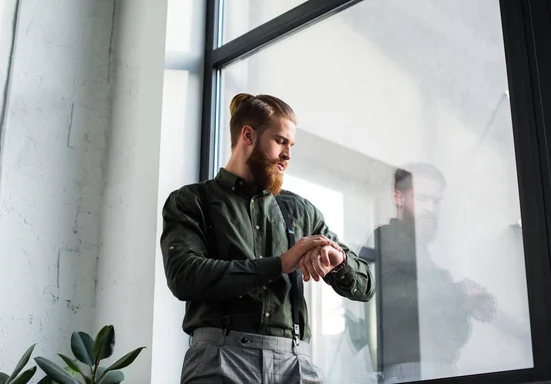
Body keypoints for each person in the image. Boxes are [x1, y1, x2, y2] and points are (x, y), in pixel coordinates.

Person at [160, 93, 375, 383]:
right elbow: (184, 275)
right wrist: (280, 264)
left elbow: (365, 287)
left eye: (291, 145)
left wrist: (338, 260)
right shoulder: (192, 201)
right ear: (248, 135)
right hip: (220, 361)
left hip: (294, 363)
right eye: (280, 141)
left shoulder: (302, 211)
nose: (287, 155)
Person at [359, 164, 496, 383]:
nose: (431, 208)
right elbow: (396, 299)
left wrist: (463, 304)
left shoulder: (423, 256)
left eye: (436, 201)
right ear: (399, 198)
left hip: (434, 367)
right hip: (412, 369)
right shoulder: (388, 237)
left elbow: (450, 335)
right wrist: (459, 294)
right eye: (423, 198)